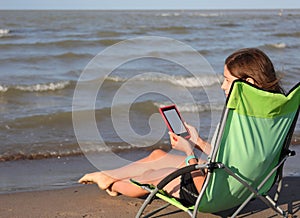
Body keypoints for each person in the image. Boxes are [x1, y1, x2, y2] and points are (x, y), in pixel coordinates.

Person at [78, 48, 284, 206]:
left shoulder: (236, 121)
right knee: (158, 155)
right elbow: (230, 160)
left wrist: (188, 153)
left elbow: (205, 188)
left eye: (227, 80)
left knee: (147, 178)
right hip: (245, 185)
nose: (222, 86)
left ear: (248, 82)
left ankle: (113, 183)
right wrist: (198, 142)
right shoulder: (273, 116)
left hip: (211, 193)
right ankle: (107, 176)